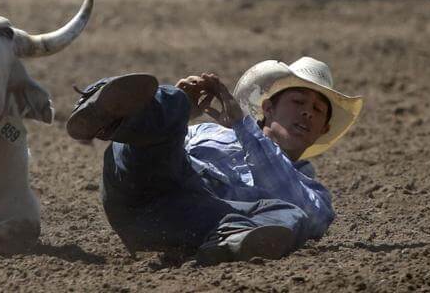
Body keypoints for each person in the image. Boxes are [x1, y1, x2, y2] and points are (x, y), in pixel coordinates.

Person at [65, 57, 362, 264]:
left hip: (194, 219)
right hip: (146, 183)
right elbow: (164, 151)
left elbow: (308, 216)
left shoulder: (315, 193)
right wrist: (183, 110)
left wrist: (243, 127)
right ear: (268, 107)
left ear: (323, 130)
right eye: (299, 102)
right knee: (170, 104)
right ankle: (103, 107)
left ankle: (229, 243)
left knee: (291, 215)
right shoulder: (207, 130)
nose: (308, 113)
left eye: (317, 110)